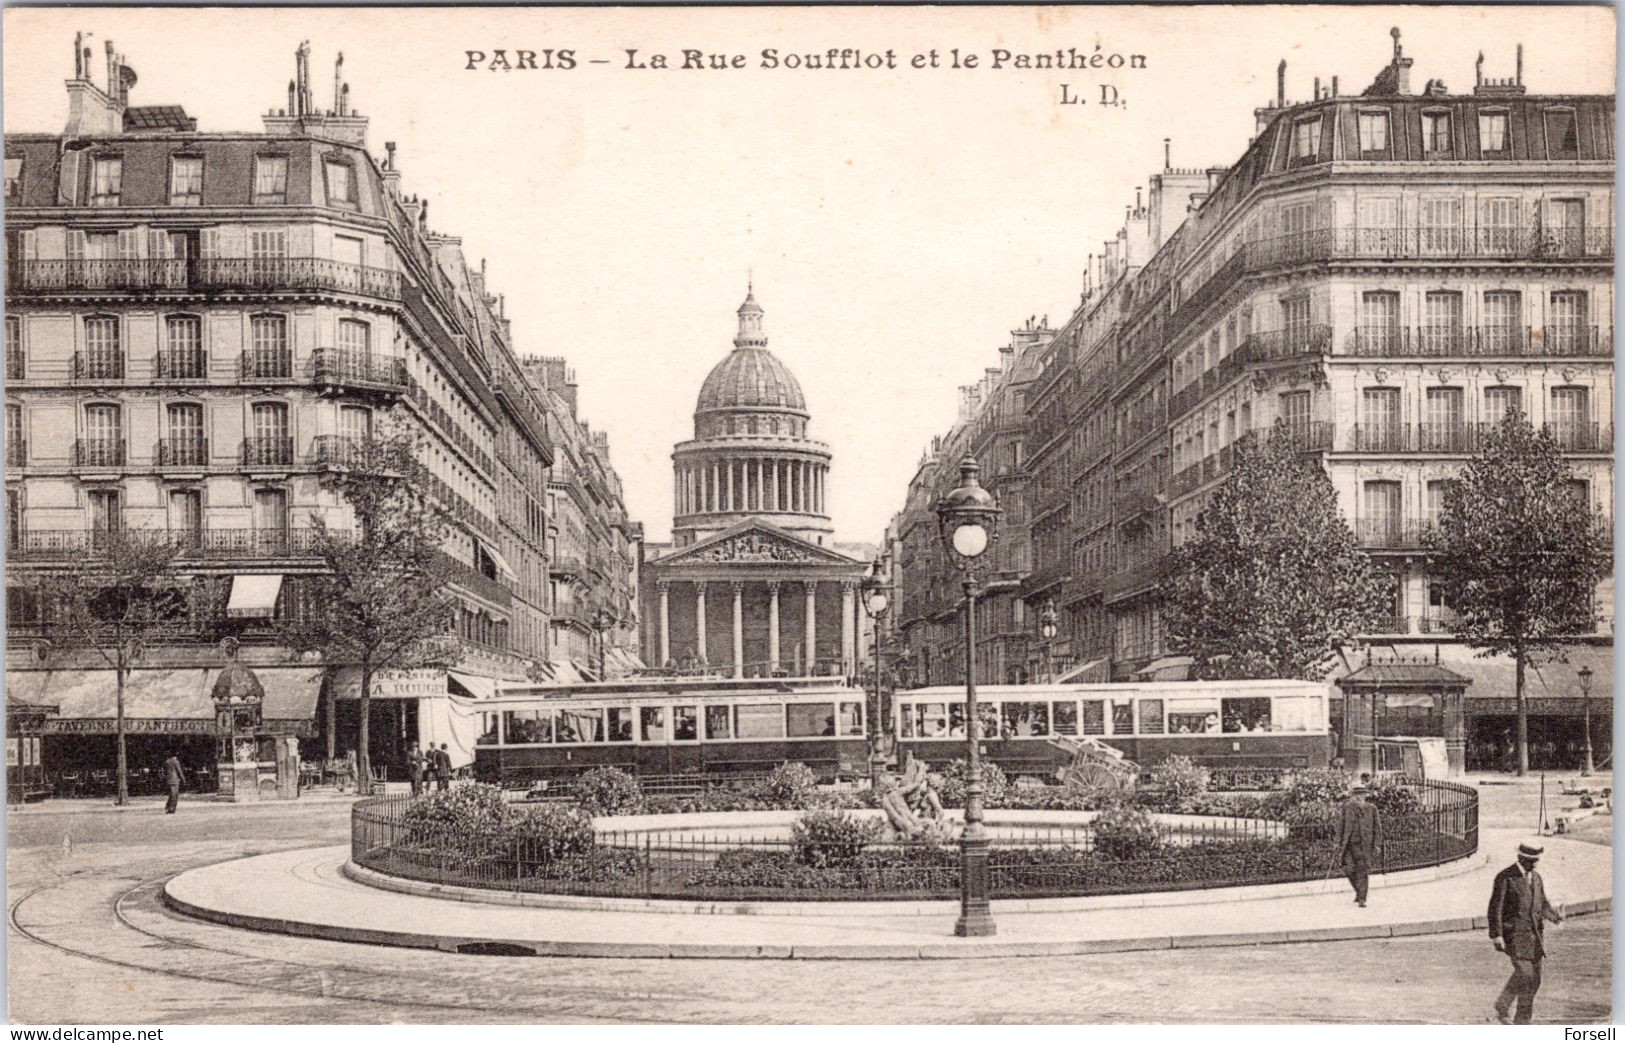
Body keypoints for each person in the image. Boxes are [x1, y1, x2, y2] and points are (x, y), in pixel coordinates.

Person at [1488, 840, 1564, 1024]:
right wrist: (1496, 935)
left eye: (1537, 860)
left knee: (1535, 979)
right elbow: (1495, 908)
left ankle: (1502, 1004)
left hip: (1535, 937)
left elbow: (1542, 904)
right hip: (1514, 936)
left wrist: (1555, 916)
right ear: (1521, 858)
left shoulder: (1536, 878)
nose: (1535, 864)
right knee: (1527, 977)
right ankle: (1522, 1021)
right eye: (1532, 861)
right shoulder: (1505, 878)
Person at [1333, 783, 1380, 907]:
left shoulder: (1372, 808)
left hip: (1364, 845)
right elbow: (1340, 825)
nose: (1356, 798)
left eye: (1360, 795)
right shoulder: (1347, 808)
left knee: (1362, 871)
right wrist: (1337, 842)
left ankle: (1362, 899)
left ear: (1363, 796)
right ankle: (1359, 892)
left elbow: (1377, 828)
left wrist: (1377, 844)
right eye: (1354, 795)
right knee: (1348, 869)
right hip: (1348, 845)